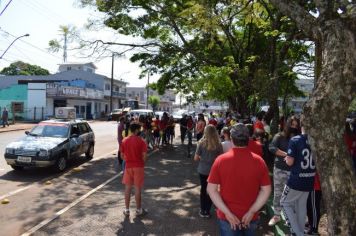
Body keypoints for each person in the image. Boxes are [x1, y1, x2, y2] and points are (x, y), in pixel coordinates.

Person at [207, 123, 271, 236]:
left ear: (231, 139)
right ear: (248, 138)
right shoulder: (259, 161)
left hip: (227, 218)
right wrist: (252, 211)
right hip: (251, 217)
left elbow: (211, 190)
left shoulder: (220, 160)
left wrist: (227, 213)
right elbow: (266, 190)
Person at [281, 118, 316, 236]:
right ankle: (300, 232)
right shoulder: (316, 141)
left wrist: (287, 159)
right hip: (310, 179)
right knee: (301, 206)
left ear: (301, 125)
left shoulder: (295, 140)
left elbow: (290, 162)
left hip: (296, 180)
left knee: (284, 203)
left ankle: (297, 233)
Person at [268, 116, 300, 227]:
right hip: (279, 169)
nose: (294, 127)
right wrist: (286, 154)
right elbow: (271, 147)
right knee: (278, 193)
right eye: (292, 124)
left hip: (293, 171)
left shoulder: (298, 137)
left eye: (296, 125)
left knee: (291, 195)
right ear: (288, 124)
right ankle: (276, 215)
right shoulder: (279, 136)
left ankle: (289, 217)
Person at [194, 125, 223, 218]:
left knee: (203, 190)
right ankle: (207, 210)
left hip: (202, 170)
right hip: (214, 170)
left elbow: (196, 158)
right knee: (212, 191)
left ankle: (203, 210)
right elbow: (221, 158)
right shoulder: (218, 144)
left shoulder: (201, 143)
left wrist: (203, 158)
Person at [120, 123, 148, 217]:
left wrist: (128, 160)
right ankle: (139, 210)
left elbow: (122, 156)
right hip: (138, 166)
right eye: (139, 129)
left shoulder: (124, 140)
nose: (140, 131)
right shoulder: (142, 141)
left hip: (128, 166)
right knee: (137, 189)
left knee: (127, 188)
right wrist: (141, 163)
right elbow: (144, 157)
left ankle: (127, 210)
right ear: (136, 130)